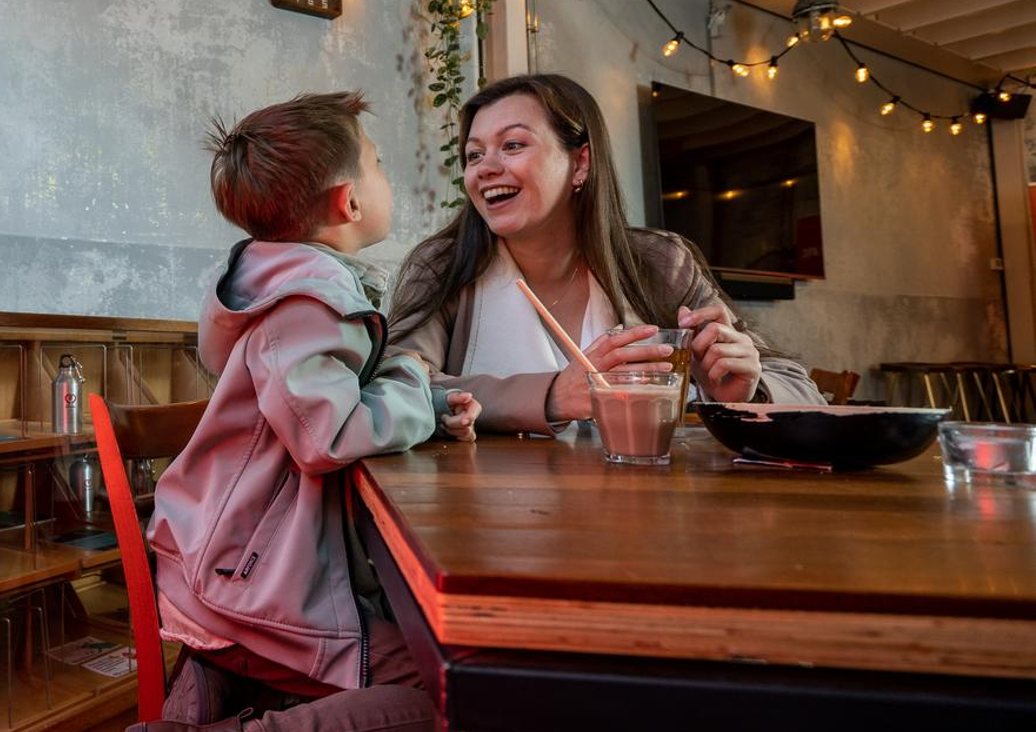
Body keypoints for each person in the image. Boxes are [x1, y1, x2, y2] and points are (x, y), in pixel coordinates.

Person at [136, 92, 477, 732]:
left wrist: (425, 406)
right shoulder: (305, 302)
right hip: (241, 583)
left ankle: (228, 692)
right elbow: (329, 433)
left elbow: (324, 402)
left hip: (239, 563)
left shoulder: (292, 289)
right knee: (459, 687)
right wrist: (410, 372)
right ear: (348, 202)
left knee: (447, 656)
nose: (385, 178)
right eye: (376, 164)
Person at [388, 73, 822, 437]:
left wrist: (746, 391)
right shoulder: (443, 266)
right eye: (474, 154)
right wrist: (553, 395)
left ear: (580, 164)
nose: (485, 168)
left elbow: (802, 389)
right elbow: (395, 386)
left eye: (513, 145)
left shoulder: (658, 262)